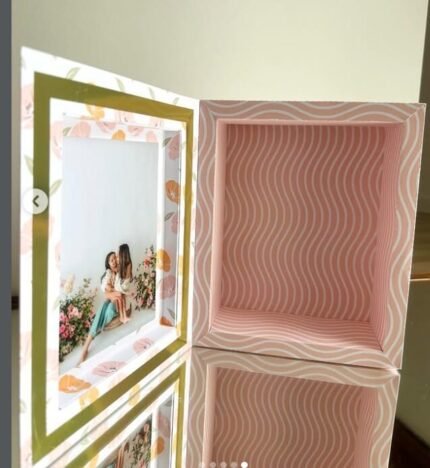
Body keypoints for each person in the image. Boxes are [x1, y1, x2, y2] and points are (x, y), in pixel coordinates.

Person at [78, 251, 122, 365]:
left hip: (118, 302)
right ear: (108, 264)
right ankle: (85, 349)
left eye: (115, 259)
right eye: (111, 260)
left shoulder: (120, 271)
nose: (114, 261)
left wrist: (112, 292)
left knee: (110, 310)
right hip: (111, 298)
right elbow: (106, 291)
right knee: (103, 305)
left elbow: (119, 291)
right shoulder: (108, 274)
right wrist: (110, 292)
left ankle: (95, 330)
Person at [114, 243, 133, 323]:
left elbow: (126, 276)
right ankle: (122, 316)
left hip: (123, 284)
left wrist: (120, 266)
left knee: (123, 300)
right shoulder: (121, 264)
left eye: (119, 254)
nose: (117, 257)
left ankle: (123, 316)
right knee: (121, 300)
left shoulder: (128, 264)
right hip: (119, 284)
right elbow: (119, 275)